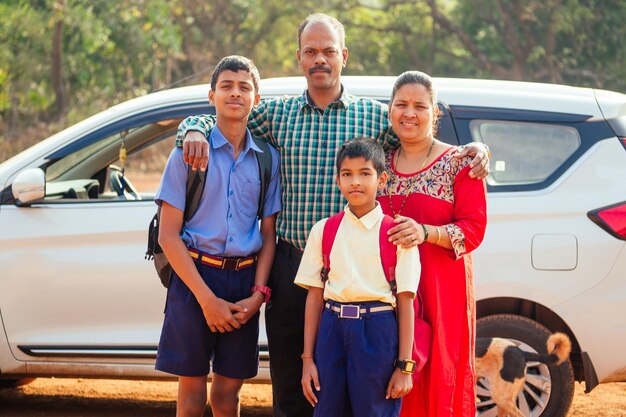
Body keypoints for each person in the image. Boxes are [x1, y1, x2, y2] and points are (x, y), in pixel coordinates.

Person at [175, 14, 490, 417]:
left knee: (352, 389)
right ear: (299, 58)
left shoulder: (377, 118)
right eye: (311, 52)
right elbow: (225, 117)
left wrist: (476, 150)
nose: (319, 59)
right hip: (292, 266)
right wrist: (194, 129)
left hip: (358, 276)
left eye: (328, 51)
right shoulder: (277, 114)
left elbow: (421, 143)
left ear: (344, 56)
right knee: (292, 385)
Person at [154, 55, 281, 417]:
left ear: (257, 99)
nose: (235, 93)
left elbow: (268, 235)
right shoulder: (187, 154)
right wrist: (206, 299)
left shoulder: (267, 160)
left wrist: (258, 295)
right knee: (191, 388)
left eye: (244, 87)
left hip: (243, 281)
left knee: (228, 391)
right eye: (226, 86)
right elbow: (168, 236)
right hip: (195, 277)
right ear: (212, 96)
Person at [378, 71, 488, 417]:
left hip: (440, 292)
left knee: (438, 381)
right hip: (388, 294)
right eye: (401, 105)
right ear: (390, 110)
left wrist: (426, 232)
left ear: (434, 112)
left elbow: (474, 229)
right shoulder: (379, 162)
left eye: (419, 106)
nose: (409, 113)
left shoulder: (460, 163)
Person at [296, 138, 420, 417]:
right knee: (327, 410)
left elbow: (405, 302)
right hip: (331, 329)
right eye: (347, 174)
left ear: (381, 179)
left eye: (365, 173)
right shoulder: (323, 230)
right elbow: (315, 296)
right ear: (338, 180)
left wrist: (404, 366)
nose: (355, 182)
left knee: (375, 411)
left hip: (377, 331)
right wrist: (307, 359)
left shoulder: (398, 234)